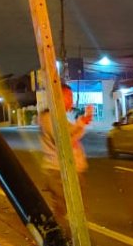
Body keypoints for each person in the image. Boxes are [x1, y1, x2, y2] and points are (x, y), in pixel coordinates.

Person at [39, 83, 93, 217]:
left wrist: (83, 122)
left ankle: (67, 236)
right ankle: (59, 237)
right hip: (59, 172)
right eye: (68, 96)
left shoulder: (59, 118)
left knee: (75, 212)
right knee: (64, 214)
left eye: (72, 97)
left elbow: (71, 134)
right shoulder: (49, 118)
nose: (72, 100)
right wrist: (81, 123)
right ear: (57, 97)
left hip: (69, 171)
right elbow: (64, 142)